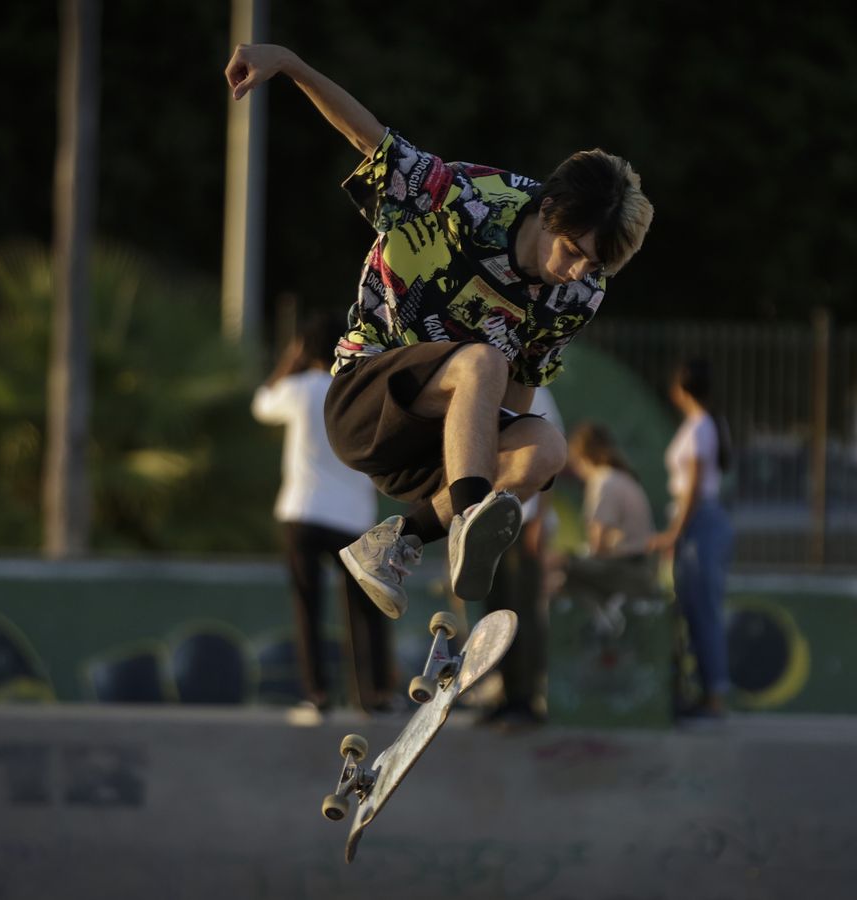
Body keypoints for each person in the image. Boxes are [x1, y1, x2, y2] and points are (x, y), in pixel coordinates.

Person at [225, 44, 654, 621]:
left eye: (594, 266)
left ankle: (394, 542)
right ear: (549, 211)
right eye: (573, 251)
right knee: (482, 361)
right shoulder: (462, 199)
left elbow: (522, 386)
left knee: (546, 444)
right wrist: (290, 65)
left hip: (433, 446)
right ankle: (467, 524)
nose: (576, 272)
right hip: (364, 403)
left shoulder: (579, 295)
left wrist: (514, 465)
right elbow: (367, 137)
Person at [252, 316, 393, 714]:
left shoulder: (300, 389)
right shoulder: (361, 391)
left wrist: (287, 363)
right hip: (352, 517)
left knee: (307, 608)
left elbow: (261, 404)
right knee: (365, 609)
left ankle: (315, 695)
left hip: (304, 510)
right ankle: (374, 695)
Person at [648, 360, 734, 719]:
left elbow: (694, 487)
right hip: (699, 521)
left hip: (700, 522)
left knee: (704, 609)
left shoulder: (700, 427)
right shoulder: (704, 424)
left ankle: (714, 694)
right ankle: (699, 689)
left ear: (682, 389)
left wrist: (675, 532)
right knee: (691, 607)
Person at [479, 387, 563, 729]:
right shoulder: (484, 388)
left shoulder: (537, 392)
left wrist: (541, 518)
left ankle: (526, 698)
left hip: (523, 518)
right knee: (495, 610)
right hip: (486, 519)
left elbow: (554, 455)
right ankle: (504, 693)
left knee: (522, 609)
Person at [564, 420, 658, 600]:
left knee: (556, 566)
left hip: (626, 568)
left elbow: (597, 544)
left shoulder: (602, 481)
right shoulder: (622, 476)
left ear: (581, 457)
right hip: (642, 564)